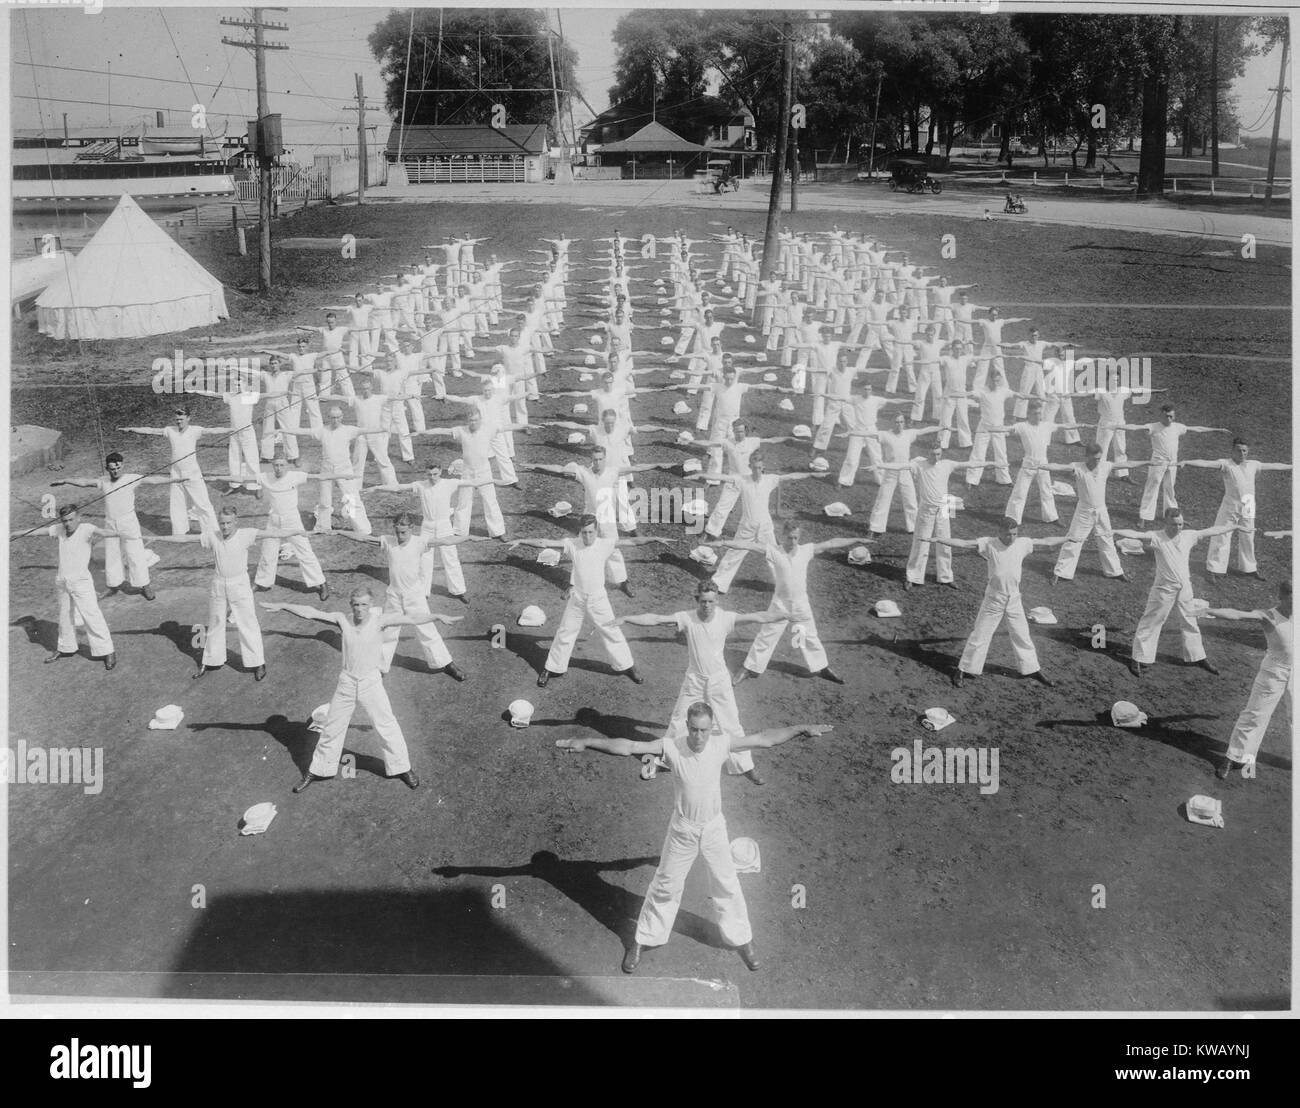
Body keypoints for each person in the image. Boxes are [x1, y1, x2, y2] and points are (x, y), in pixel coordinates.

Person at [556, 702, 832, 974]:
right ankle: (644, 939)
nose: (699, 737)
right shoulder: (672, 746)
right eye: (695, 730)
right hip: (682, 831)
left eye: (705, 730)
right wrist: (587, 741)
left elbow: (765, 740)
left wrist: (801, 728)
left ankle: (741, 940)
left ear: (712, 728)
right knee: (665, 885)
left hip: (714, 830)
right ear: (687, 726)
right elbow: (629, 746)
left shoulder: (721, 743)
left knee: (727, 884)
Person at [264, 588, 459, 792]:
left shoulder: (380, 621)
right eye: (356, 604)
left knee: (387, 725)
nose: (359, 609)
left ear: (371, 604)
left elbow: (411, 618)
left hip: (371, 683)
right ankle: (318, 770)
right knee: (332, 728)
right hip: (346, 682)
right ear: (351, 605)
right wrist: (283, 605)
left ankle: (402, 768)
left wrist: (436, 615)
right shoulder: (341, 619)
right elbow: (311, 612)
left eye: (364, 604)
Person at [620, 580, 783, 785]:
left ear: (716, 600)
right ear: (697, 599)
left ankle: (745, 766)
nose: (707, 606)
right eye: (704, 601)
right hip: (694, 680)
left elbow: (761, 616)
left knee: (731, 723)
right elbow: (656, 619)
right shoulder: (686, 618)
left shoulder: (725, 618)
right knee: (679, 721)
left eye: (711, 602)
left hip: (719, 681)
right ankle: (665, 760)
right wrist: (626, 618)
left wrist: (788, 616)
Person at [147, 504, 307, 681]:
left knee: (247, 623)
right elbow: (186, 539)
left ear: (235, 521)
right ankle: (211, 661)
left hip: (240, 584)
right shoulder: (213, 536)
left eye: (228, 523)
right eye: (222, 523)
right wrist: (157, 538)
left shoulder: (246, 534)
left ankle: (258, 663)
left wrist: (297, 532)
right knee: (215, 622)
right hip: (218, 584)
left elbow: (272, 534)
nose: (225, 527)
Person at [510, 515, 664, 687]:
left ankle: (627, 666)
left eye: (591, 532)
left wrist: (655, 538)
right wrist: (521, 540)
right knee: (565, 632)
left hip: (599, 599)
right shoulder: (572, 544)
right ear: (579, 532)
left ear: (596, 531)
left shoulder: (605, 544)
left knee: (612, 631)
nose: (588, 536)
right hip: (577, 597)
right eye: (584, 533)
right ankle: (552, 667)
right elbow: (544, 542)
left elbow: (633, 542)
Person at [333, 513, 476, 680]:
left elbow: (447, 541)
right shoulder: (387, 541)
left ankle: (445, 664)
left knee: (427, 629)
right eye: (397, 532)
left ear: (411, 529)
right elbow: (363, 538)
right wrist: (339, 532)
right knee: (387, 631)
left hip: (414, 595)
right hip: (393, 595)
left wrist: (470, 537)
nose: (400, 536)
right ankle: (379, 667)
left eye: (403, 533)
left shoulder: (420, 542)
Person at [931, 517, 1067, 688]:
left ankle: (1031, 669)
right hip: (994, 599)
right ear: (999, 532)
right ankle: (963, 669)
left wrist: (1067, 538)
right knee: (980, 634)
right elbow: (964, 543)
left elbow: (1046, 542)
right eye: (1008, 534)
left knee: (1022, 635)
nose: (1012, 538)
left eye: (1015, 534)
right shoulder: (989, 543)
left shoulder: (1022, 543)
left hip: (1014, 599)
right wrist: (938, 539)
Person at [521, 446, 671, 595]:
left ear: (605, 459)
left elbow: (638, 468)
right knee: (581, 549)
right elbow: (560, 469)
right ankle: (574, 585)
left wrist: (657, 465)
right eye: (595, 460)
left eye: (600, 459)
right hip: (589, 520)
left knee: (614, 551)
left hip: (607, 519)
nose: (597, 463)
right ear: (591, 460)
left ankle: (622, 582)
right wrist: (536, 465)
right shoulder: (583, 472)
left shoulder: (613, 471)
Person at [363, 455, 510, 602]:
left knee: (450, 557)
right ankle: (423, 591)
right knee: (424, 560)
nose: (433, 477)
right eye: (429, 474)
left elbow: (474, 481)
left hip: (445, 526)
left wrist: (494, 480)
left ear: (440, 471)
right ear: (425, 473)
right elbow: (398, 487)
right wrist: (376, 488)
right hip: (427, 527)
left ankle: (458, 590)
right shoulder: (420, 485)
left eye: (435, 474)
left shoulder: (450, 483)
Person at [726, 518, 857, 684]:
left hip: (801, 605)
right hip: (780, 604)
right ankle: (749, 668)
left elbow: (832, 543)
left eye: (796, 538)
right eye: (789, 538)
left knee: (809, 635)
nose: (793, 541)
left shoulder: (806, 550)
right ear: (782, 537)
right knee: (766, 636)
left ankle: (821, 667)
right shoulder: (774, 551)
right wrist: (722, 542)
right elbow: (748, 545)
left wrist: (857, 540)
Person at [1114, 510, 1239, 678]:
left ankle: (1197, 656)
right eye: (1174, 524)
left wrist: (1235, 526)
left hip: (1185, 587)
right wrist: (1114, 531)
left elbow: (1211, 531)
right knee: (1152, 620)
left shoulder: (1189, 536)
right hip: (1164, 588)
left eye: (1180, 524)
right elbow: (1136, 534)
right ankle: (1138, 657)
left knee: (1190, 619)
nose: (1178, 527)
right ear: (1166, 523)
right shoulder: (1157, 537)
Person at [51, 453, 179, 601]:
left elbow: (154, 480)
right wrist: (65, 480)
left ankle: (144, 585)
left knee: (135, 553)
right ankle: (113, 585)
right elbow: (84, 482)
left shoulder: (131, 478)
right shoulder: (103, 481)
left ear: (122, 465)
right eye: (112, 468)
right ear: (107, 468)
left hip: (129, 523)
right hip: (111, 523)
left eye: (118, 467)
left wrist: (177, 480)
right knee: (112, 554)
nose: (116, 471)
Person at [698, 447, 824, 593]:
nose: (757, 471)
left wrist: (810, 474)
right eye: (754, 467)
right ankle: (719, 582)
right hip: (747, 527)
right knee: (734, 553)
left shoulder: (770, 480)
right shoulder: (742, 480)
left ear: (763, 467)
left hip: (765, 527)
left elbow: (790, 476)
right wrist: (701, 474)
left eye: (759, 467)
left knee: (775, 555)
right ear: (749, 466)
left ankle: (785, 583)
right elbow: (723, 477)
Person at [205, 452, 330, 599]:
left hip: (292, 520)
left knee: (305, 552)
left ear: (287, 466)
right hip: (274, 520)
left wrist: (345, 475)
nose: (278, 468)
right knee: (268, 551)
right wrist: (216, 477)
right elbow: (243, 478)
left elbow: (318, 477)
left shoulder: (295, 476)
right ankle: (262, 582)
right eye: (276, 465)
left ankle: (321, 583)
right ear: (272, 466)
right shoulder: (266, 477)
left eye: (282, 465)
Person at [12, 504, 118, 670]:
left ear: (78, 517)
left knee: (92, 615)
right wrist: (15, 533)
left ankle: (107, 651)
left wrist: (121, 533)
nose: (68, 524)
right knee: (64, 616)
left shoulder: (86, 529)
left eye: (70, 520)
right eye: (65, 521)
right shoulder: (60, 529)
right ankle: (66, 648)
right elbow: (39, 531)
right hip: (62, 581)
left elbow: (104, 532)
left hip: (81, 582)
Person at [1205, 580, 1292, 780]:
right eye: (1291, 601)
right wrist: (1209, 610)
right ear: (1281, 597)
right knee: (1255, 715)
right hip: (1274, 673)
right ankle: (1232, 757)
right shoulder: (1268, 615)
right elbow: (1237, 615)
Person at [880, 441, 990, 590]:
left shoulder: (947, 464)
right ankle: (913, 576)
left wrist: (993, 463)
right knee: (921, 543)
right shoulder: (919, 465)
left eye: (938, 454)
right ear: (927, 453)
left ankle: (945, 577)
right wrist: (880, 466)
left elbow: (968, 464)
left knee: (946, 542)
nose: (936, 457)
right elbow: (900, 466)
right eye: (933, 454)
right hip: (927, 509)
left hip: (944, 507)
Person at [1040, 443, 1150, 584]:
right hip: (1084, 511)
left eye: (1099, 458)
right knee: (1073, 540)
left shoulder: (1106, 466)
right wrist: (1039, 466)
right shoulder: (1078, 467)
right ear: (1086, 456)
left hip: (1101, 511)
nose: (1097, 461)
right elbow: (1058, 466)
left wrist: (1148, 462)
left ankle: (1115, 571)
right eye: (1094, 458)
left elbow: (1128, 464)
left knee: (1107, 539)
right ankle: (1060, 572)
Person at [1182, 438, 1291, 579]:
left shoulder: (1253, 464)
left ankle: (1249, 568)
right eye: (1238, 450)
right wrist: (1187, 462)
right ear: (1232, 451)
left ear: (1248, 452)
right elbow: (1206, 463)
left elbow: (1274, 466)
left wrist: (1293, 466)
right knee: (1221, 534)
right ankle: (1214, 569)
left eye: (1244, 450)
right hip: (1230, 505)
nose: (1241, 453)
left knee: (1248, 535)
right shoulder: (1226, 464)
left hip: (1249, 504)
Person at [120, 406, 222, 535]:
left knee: (203, 503)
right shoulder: (170, 430)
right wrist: (131, 429)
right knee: (177, 504)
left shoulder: (196, 430)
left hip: (192, 473)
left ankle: (213, 532)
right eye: (177, 419)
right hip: (175, 473)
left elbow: (213, 431)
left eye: (181, 419)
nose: (179, 422)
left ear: (188, 418)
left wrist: (232, 429)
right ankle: (180, 532)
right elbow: (151, 431)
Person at [1119, 404, 1229, 523]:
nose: (1169, 419)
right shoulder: (1153, 426)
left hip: (1173, 464)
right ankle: (1144, 517)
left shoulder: (1178, 427)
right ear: (1160, 415)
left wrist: (1217, 430)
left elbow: (1197, 429)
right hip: (1157, 462)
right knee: (1152, 487)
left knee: (1170, 489)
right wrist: (1116, 426)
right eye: (1166, 416)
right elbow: (1135, 427)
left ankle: (1172, 516)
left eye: (1171, 416)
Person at [984, 398, 1084, 525]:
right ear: (1028, 414)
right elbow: (1006, 429)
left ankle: (1051, 517)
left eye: (1039, 413)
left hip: (1044, 466)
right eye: (1035, 413)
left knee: (1046, 491)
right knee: (1020, 492)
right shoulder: (1022, 426)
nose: (1038, 416)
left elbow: (1063, 426)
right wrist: (989, 429)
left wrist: (1080, 425)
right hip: (1028, 466)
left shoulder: (1046, 425)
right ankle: (1012, 518)